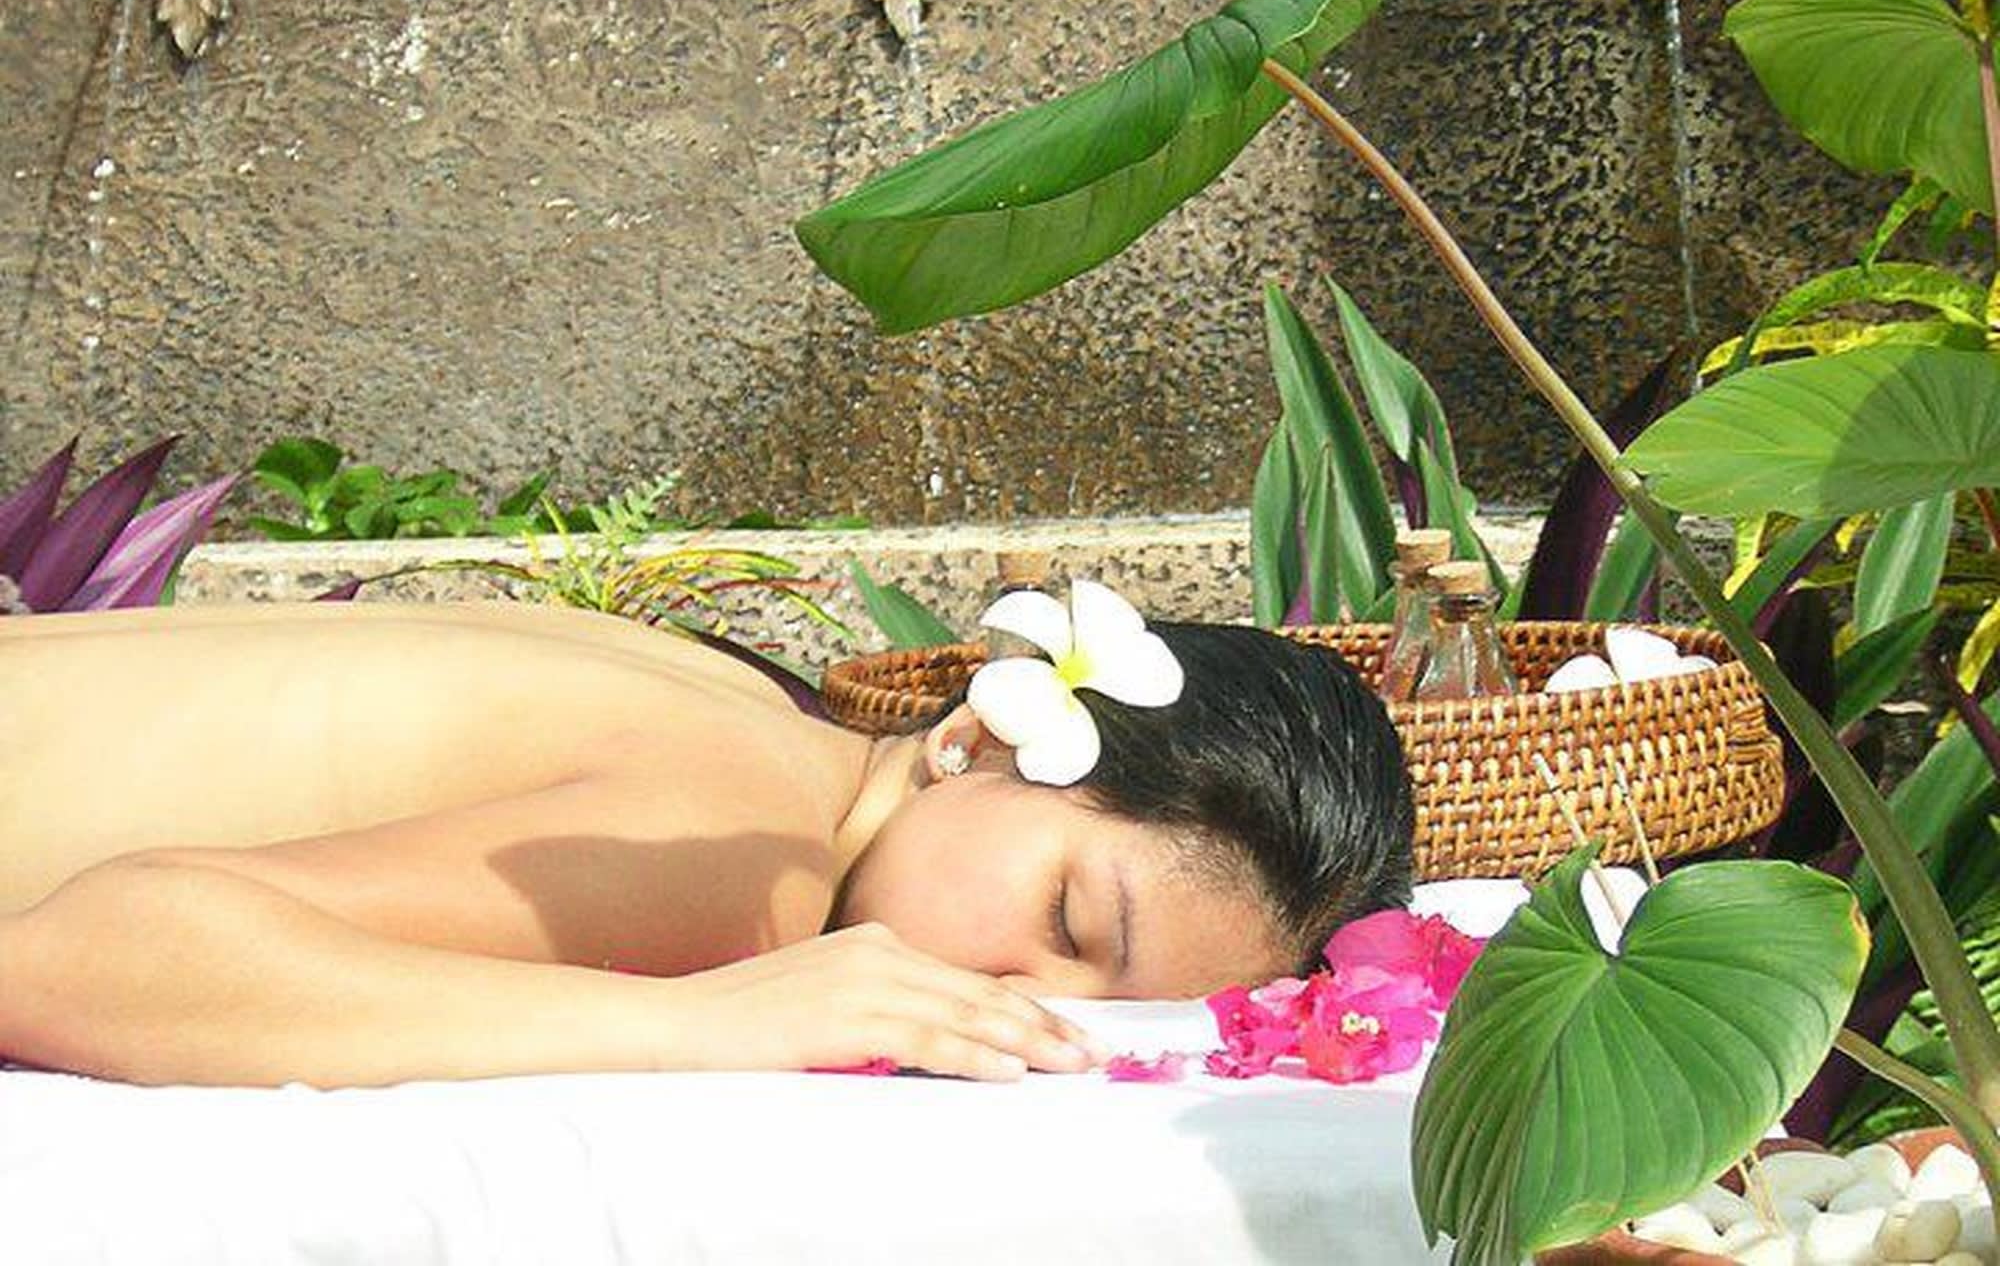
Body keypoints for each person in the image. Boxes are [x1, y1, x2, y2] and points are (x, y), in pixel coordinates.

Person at [0, 582, 1413, 1089]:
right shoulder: (744, 872)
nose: (1021, 1002)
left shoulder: (747, 722)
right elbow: (75, 959)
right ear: (975, 743)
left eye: (1102, 1005)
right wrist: (703, 1018)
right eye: (1068, 924)